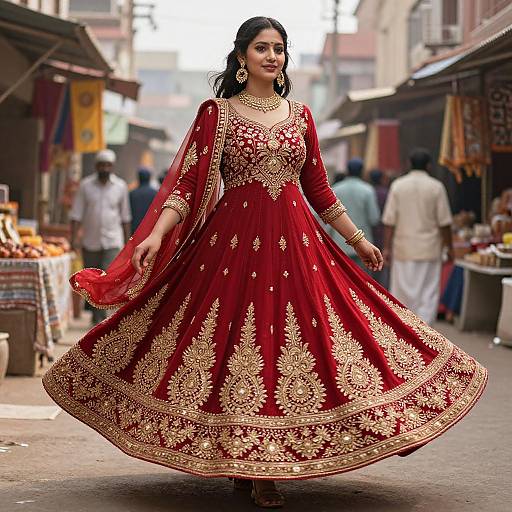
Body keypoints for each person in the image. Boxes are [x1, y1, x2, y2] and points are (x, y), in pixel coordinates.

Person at [45, 18, 486, 510]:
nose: (272, 56)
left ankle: (266, 460)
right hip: (231, 246)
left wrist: (358, 240)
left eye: (279, 48)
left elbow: (317, 188)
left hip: (297, 246)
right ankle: (247, 460)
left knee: (298, 339)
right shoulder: (218, 113)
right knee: (230, 346)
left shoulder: (300, 115)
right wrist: (154, 234)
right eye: (262, 48)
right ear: (241, 57)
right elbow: (188, 188)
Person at [382, 148, 454, 325]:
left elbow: (389, 221)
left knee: (402, 294)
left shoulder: (398, 186)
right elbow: (444, 223)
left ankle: (406, 333)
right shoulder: (436, 187)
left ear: (409, 164)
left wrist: (386, 247)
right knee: (427, 295)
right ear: (429, 166)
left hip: (403, 249)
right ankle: (426, 336)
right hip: (429, 249)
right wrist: (449, 247)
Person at [69, 149, 131, 325]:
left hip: (113, 241)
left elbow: (126, 217)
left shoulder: (120, 187)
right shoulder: (85, 186)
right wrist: (73, 238)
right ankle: (97, 317)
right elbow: (76, 215)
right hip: (91, 241)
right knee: (93, 281)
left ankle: (102, 318)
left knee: (106, 279)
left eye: (108, 165)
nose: (104, 168)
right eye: (101, 165)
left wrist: (127, 243)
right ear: (96, 166)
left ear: (112, 167)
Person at [329, 158, 380, 271]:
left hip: (339, 242)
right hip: (364, 245)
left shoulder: (335, 189)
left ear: (347, 170)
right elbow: (374, 218)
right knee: (362, 282)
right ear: (362, 171)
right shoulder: (368, 190)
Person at [129, 167, 158, 233]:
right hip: (150, 229)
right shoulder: (155, 193)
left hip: (135, 229)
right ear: (149, 178)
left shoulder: (132, 194)